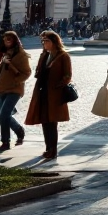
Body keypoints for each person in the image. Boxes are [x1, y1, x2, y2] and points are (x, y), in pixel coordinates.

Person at [25, 30, 72, 160]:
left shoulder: (63, 56)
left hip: (55, 95)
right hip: (42, 92)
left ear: (54, 42)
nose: (44, 43)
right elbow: (38, 72)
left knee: (52, 123)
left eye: (47, 41)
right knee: (45, 121)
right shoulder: (44, 55)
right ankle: (48, 148)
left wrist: (58, 86)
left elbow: (67, 75)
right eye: (43, 41)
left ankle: (53, 149)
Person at [0, 30, 30, 152]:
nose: (6, 42)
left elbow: (26, 73)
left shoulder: (21, 55)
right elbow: (0, 68)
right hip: (2, 88)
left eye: (9, 39)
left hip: (14, 89)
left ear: (14, 40)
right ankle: (19, 130)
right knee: (2, 115)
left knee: (4, 114)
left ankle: (5, 142)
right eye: (4, 39)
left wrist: (16, 79)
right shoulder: (5, 54)